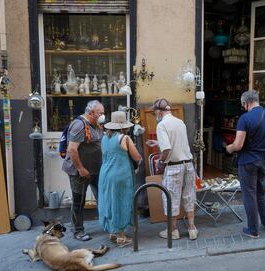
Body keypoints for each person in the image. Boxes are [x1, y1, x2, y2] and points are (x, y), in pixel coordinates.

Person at [226, 90, 265, 239]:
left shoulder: (245, 118)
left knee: (249, 195)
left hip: (248, 161)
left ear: (247, 103)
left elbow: (238, 145)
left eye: (243, 104)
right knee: (260, 192)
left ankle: (252, 229)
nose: (243, 106)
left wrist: (229, 148)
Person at [146, 98, 198, 240]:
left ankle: (174, 230)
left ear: (158, 111)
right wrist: (158, 142)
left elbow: (167, 149)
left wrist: (161, 162)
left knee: (171, 198)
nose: (154, 114)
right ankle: (192, 228)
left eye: (154, 111)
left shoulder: (162, 125)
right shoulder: (179, 122)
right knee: (189, 196)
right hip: (188, 164)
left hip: (174, 167)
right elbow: (177, 143)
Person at [62, 100, 105, 241]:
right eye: (101, 113)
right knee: (78, 201)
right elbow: (72, 150)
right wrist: (81, 168)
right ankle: (78, 230)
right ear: (92, 113)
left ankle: (107, 224)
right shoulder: (79, 125)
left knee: (102, 197)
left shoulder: (96, 124)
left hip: (95, 170)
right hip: (79, 171)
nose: (103, 115)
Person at [98, 111, 142, 247]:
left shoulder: (104, 138)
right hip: (120, 175)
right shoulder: (124, 138)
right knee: (121, 202)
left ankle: (112, 233)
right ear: (124, 127)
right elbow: (137, 157)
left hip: (105, 174)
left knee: (109, 202)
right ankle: (121, 237)